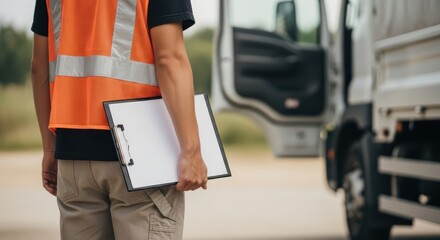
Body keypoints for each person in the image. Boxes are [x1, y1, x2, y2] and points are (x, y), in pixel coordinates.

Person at [30, 0, 208, 239]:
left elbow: (39, 67)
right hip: (139, 155)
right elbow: (169, 60)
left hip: (73, 154)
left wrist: (49, 149)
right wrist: (191, 150)